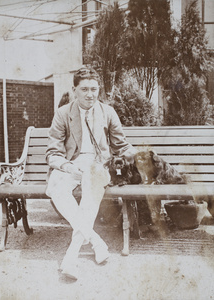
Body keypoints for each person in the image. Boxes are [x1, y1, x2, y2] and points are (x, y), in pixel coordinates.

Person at [45, 67, 136, 280]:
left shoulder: (108, 112)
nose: (90, 94)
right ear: (74, 90)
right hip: (71, 164)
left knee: (90, 193)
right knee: (56, 187)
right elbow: (52, 151)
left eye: (94, 89)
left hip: (97, 165)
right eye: (84, 89)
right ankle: (96, 242)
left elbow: (121, 145)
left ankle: (71, 256)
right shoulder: (63, 113)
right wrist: (67, 166)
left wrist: (133, 153)